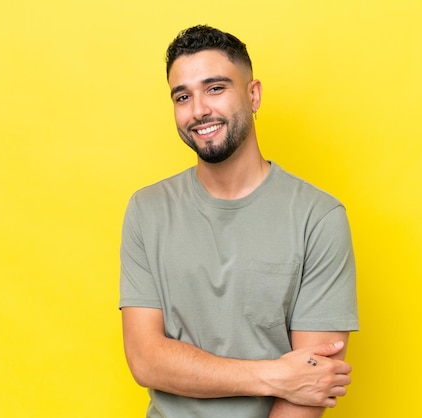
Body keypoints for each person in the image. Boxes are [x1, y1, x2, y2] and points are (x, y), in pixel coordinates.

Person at [119, 25, 359, 418]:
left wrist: (288, 381)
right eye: (183, 96)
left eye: (215, 88)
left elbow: (312, 383)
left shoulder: (318, 218)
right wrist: (272, 375)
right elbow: (145, 360)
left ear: (253, 94)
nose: (198, 110)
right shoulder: (147, 210)